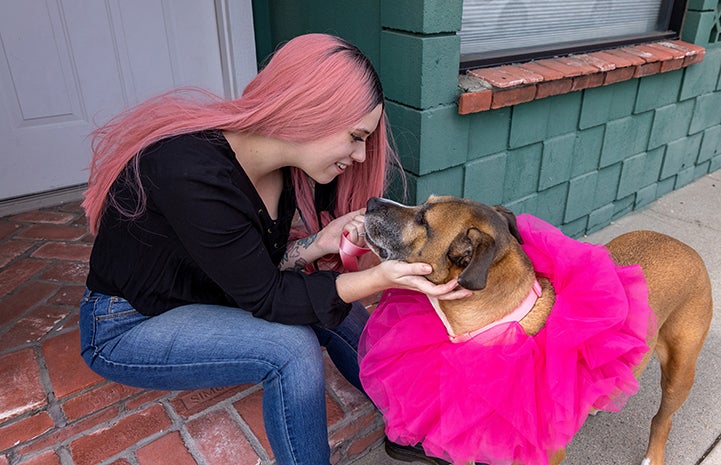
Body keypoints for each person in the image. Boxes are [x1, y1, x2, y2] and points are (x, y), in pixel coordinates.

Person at [79, 33, 470, 465]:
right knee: (291, 348)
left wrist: (314, 245)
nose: (361, 155)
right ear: (312, 111)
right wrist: (375, 277)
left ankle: (414, 426)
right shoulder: (187, 170)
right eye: (357, 136)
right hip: (128, 325)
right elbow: (268, 298)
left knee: (338, 309)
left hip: (207, 297)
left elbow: (259, 273)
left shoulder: (280, 171)